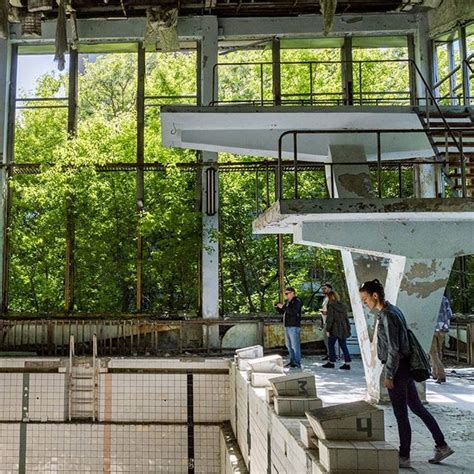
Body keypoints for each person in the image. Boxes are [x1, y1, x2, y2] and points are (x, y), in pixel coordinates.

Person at [359, 279, 454, 469]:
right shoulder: (394, 310)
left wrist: (389, 375)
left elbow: (394, 349)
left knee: (401, 414)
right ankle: (441, 445)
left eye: (365, 298)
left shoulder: (387, 315)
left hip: (398, 369)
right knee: (417, 408)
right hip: (405, 368)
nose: (364, 302)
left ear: (375, 296)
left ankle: (404, 455)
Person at [322, 291, 352, 370]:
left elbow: (330, 319)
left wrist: (328, 329)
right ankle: (347, 363)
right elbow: (346, 318)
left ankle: (332, 362)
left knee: (331, 345)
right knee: (343, 345)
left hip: (334, 329)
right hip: (343, 328)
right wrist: (348, 328)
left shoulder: (331, 305)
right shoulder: (343, 306)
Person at [275, 287, 303, 369]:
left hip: (294, 325)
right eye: (285, 294)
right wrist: (278, 307)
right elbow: (285, 311)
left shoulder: (297, 301)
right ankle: (292, 361)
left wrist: (283, 307)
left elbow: (294, 312)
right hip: (287, 325)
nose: (286, 295)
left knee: (295, 345)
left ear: (292, 293)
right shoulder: (288, 302)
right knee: (289, 345)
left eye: (287, 293)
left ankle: (297, 362)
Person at [430, 292, 452, 384]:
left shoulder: (430, 299)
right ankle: (434, 372)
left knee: (433, 352)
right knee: (439, 351)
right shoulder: (445, 299)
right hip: (443, 328)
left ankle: (441, 375)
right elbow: (450, 314)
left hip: (432, 328)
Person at [320, 283, 332, 360]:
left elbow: (332, 311)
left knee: (331, 339)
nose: (324, 290)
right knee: (326, 340)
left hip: (329, 321)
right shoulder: (325, 298)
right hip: (325, 321)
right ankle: (329, 354)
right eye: (323, 289)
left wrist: (325, 312)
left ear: (329, 289)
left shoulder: (332, 298)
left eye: (325, 288)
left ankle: (334, 355)